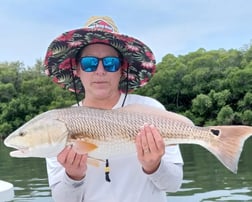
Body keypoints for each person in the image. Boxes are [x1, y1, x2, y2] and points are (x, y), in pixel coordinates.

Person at [44, 16, 193, 202]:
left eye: (110, 63)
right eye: (89, 63)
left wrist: (154, 165)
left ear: (122, 69)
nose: (100, 71)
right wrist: (73, 176)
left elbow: (173, 184)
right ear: (77, 69)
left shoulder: (151, 110)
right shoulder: (60, 125)